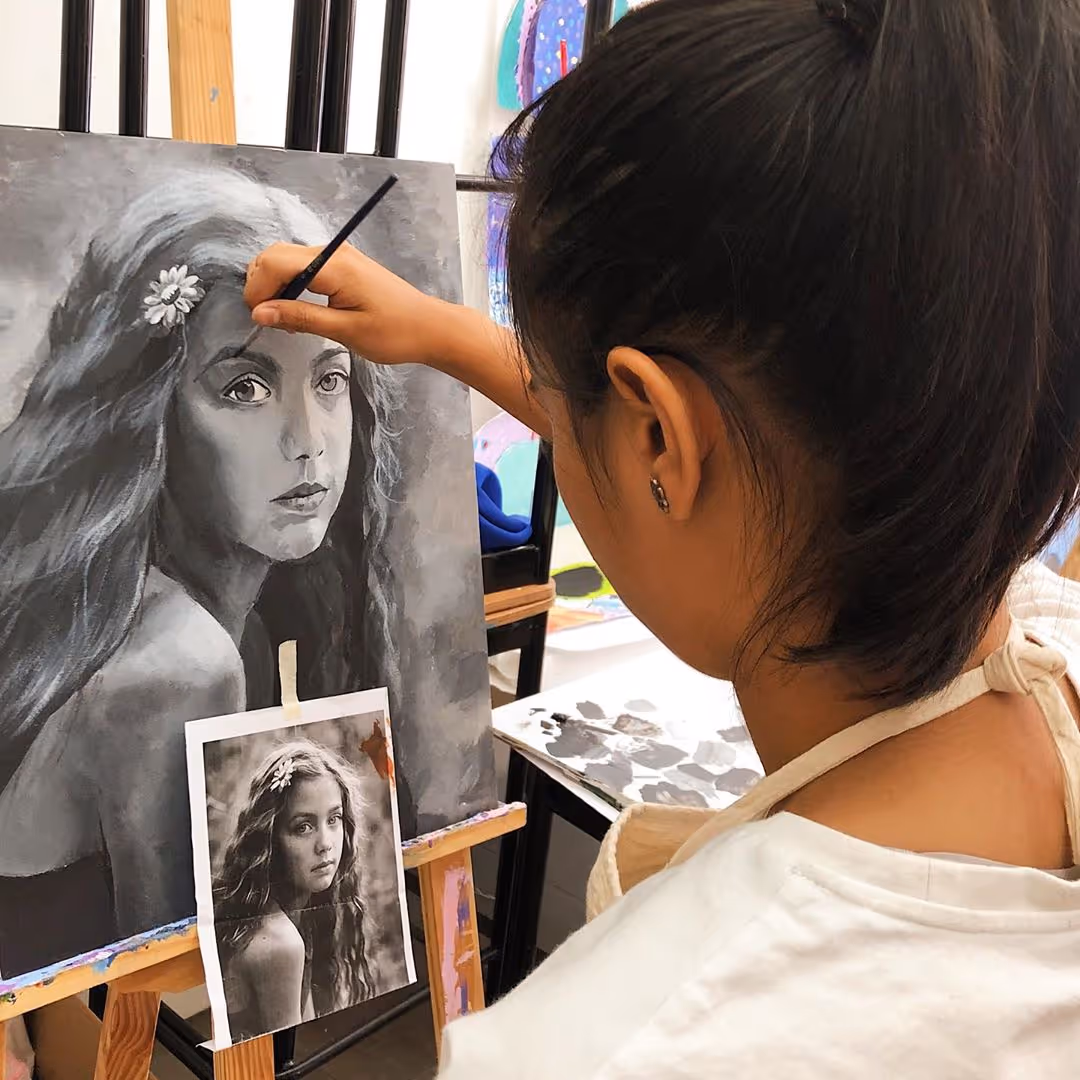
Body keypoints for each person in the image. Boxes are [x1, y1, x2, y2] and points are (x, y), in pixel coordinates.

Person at [244, 0, 1080, 1074]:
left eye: (549, 382)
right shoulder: (1040, 637)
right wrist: (450, 335)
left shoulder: (595, 1048)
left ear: (656, 439)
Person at [0, 167, 399, 978]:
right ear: (150, 412)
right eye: (245, 386)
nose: (310, 440)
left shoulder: (217, 622)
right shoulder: (182, 662)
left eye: (330, 380)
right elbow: (183, 982)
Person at [212, 739, 373, 1040]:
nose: (325, 843)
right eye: (303, 827)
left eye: (334, 819)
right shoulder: (281, 943)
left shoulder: (297, 912)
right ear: (270, 838)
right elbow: (290, 1062)